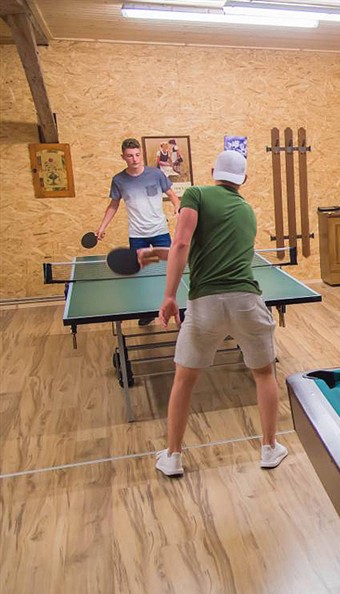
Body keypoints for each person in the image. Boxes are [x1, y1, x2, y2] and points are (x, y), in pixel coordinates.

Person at [141, 150, 287, 477]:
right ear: (243, 179)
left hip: (205, 303)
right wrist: (157, 254)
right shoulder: (247, 211)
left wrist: (169, 296)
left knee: (184, 379)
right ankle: (269, 448)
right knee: (264, 374)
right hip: (246, 301)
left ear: (212, 172)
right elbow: (204, 251)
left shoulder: (195, 193)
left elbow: (182, 245)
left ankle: (173, 456)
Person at [97, 137, 180, 326]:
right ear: (123, 157)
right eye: (130, 156)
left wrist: (177, 206)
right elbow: (113, 205)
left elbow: (172, 195)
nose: (134, 159)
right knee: (141, 273)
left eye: (137, 155)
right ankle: (147, 310)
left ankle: (176, 306)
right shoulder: (119, 180)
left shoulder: (156, 174)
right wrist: (102, 227)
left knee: (169, 271)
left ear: (140, 155)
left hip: (160, 231)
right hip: (137, 235)